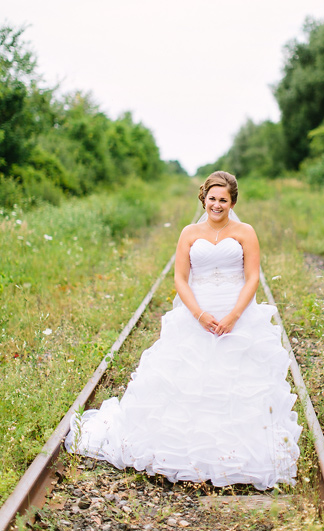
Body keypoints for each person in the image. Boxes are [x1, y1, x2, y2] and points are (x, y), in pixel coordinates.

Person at [66, 171, 301, 489]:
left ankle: (234, 456)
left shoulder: (245, 232)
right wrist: (200, 315)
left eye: (223, 200)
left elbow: (252, 278)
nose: (216, 205)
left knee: (238, 384)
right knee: (187, 382)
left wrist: (233, 316)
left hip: (237, 314)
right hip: (197, 313)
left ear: (232, 202)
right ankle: (182, 452)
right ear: (204, 198)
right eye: (212, 198)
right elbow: (179, 278)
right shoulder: (189, 233)